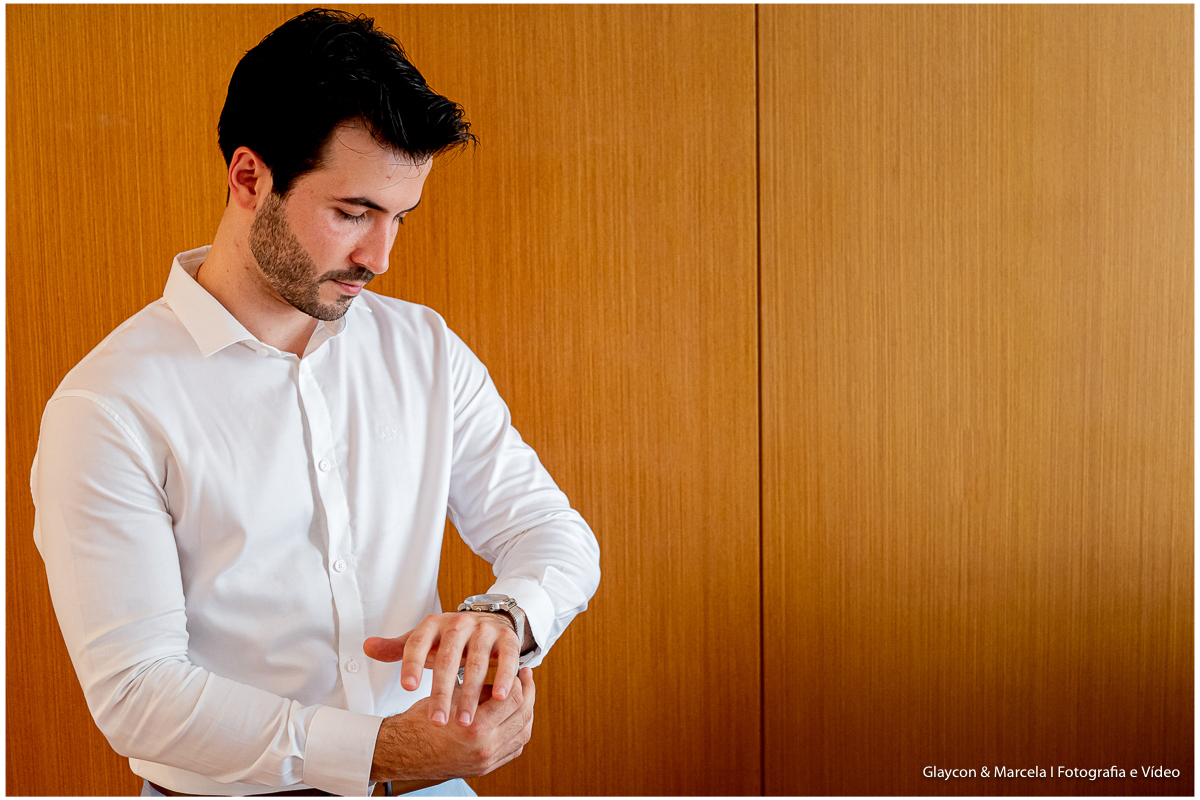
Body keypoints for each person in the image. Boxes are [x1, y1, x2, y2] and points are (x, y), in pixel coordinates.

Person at [31, 8, 600, 797]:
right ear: (249, 177)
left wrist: (503, 617)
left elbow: (551, 532)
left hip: (432, 785)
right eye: (352, 213)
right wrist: (377, 753)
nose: (380, 257)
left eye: (399, 218)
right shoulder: (107, 407)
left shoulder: (426, 350)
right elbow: (138, 693)